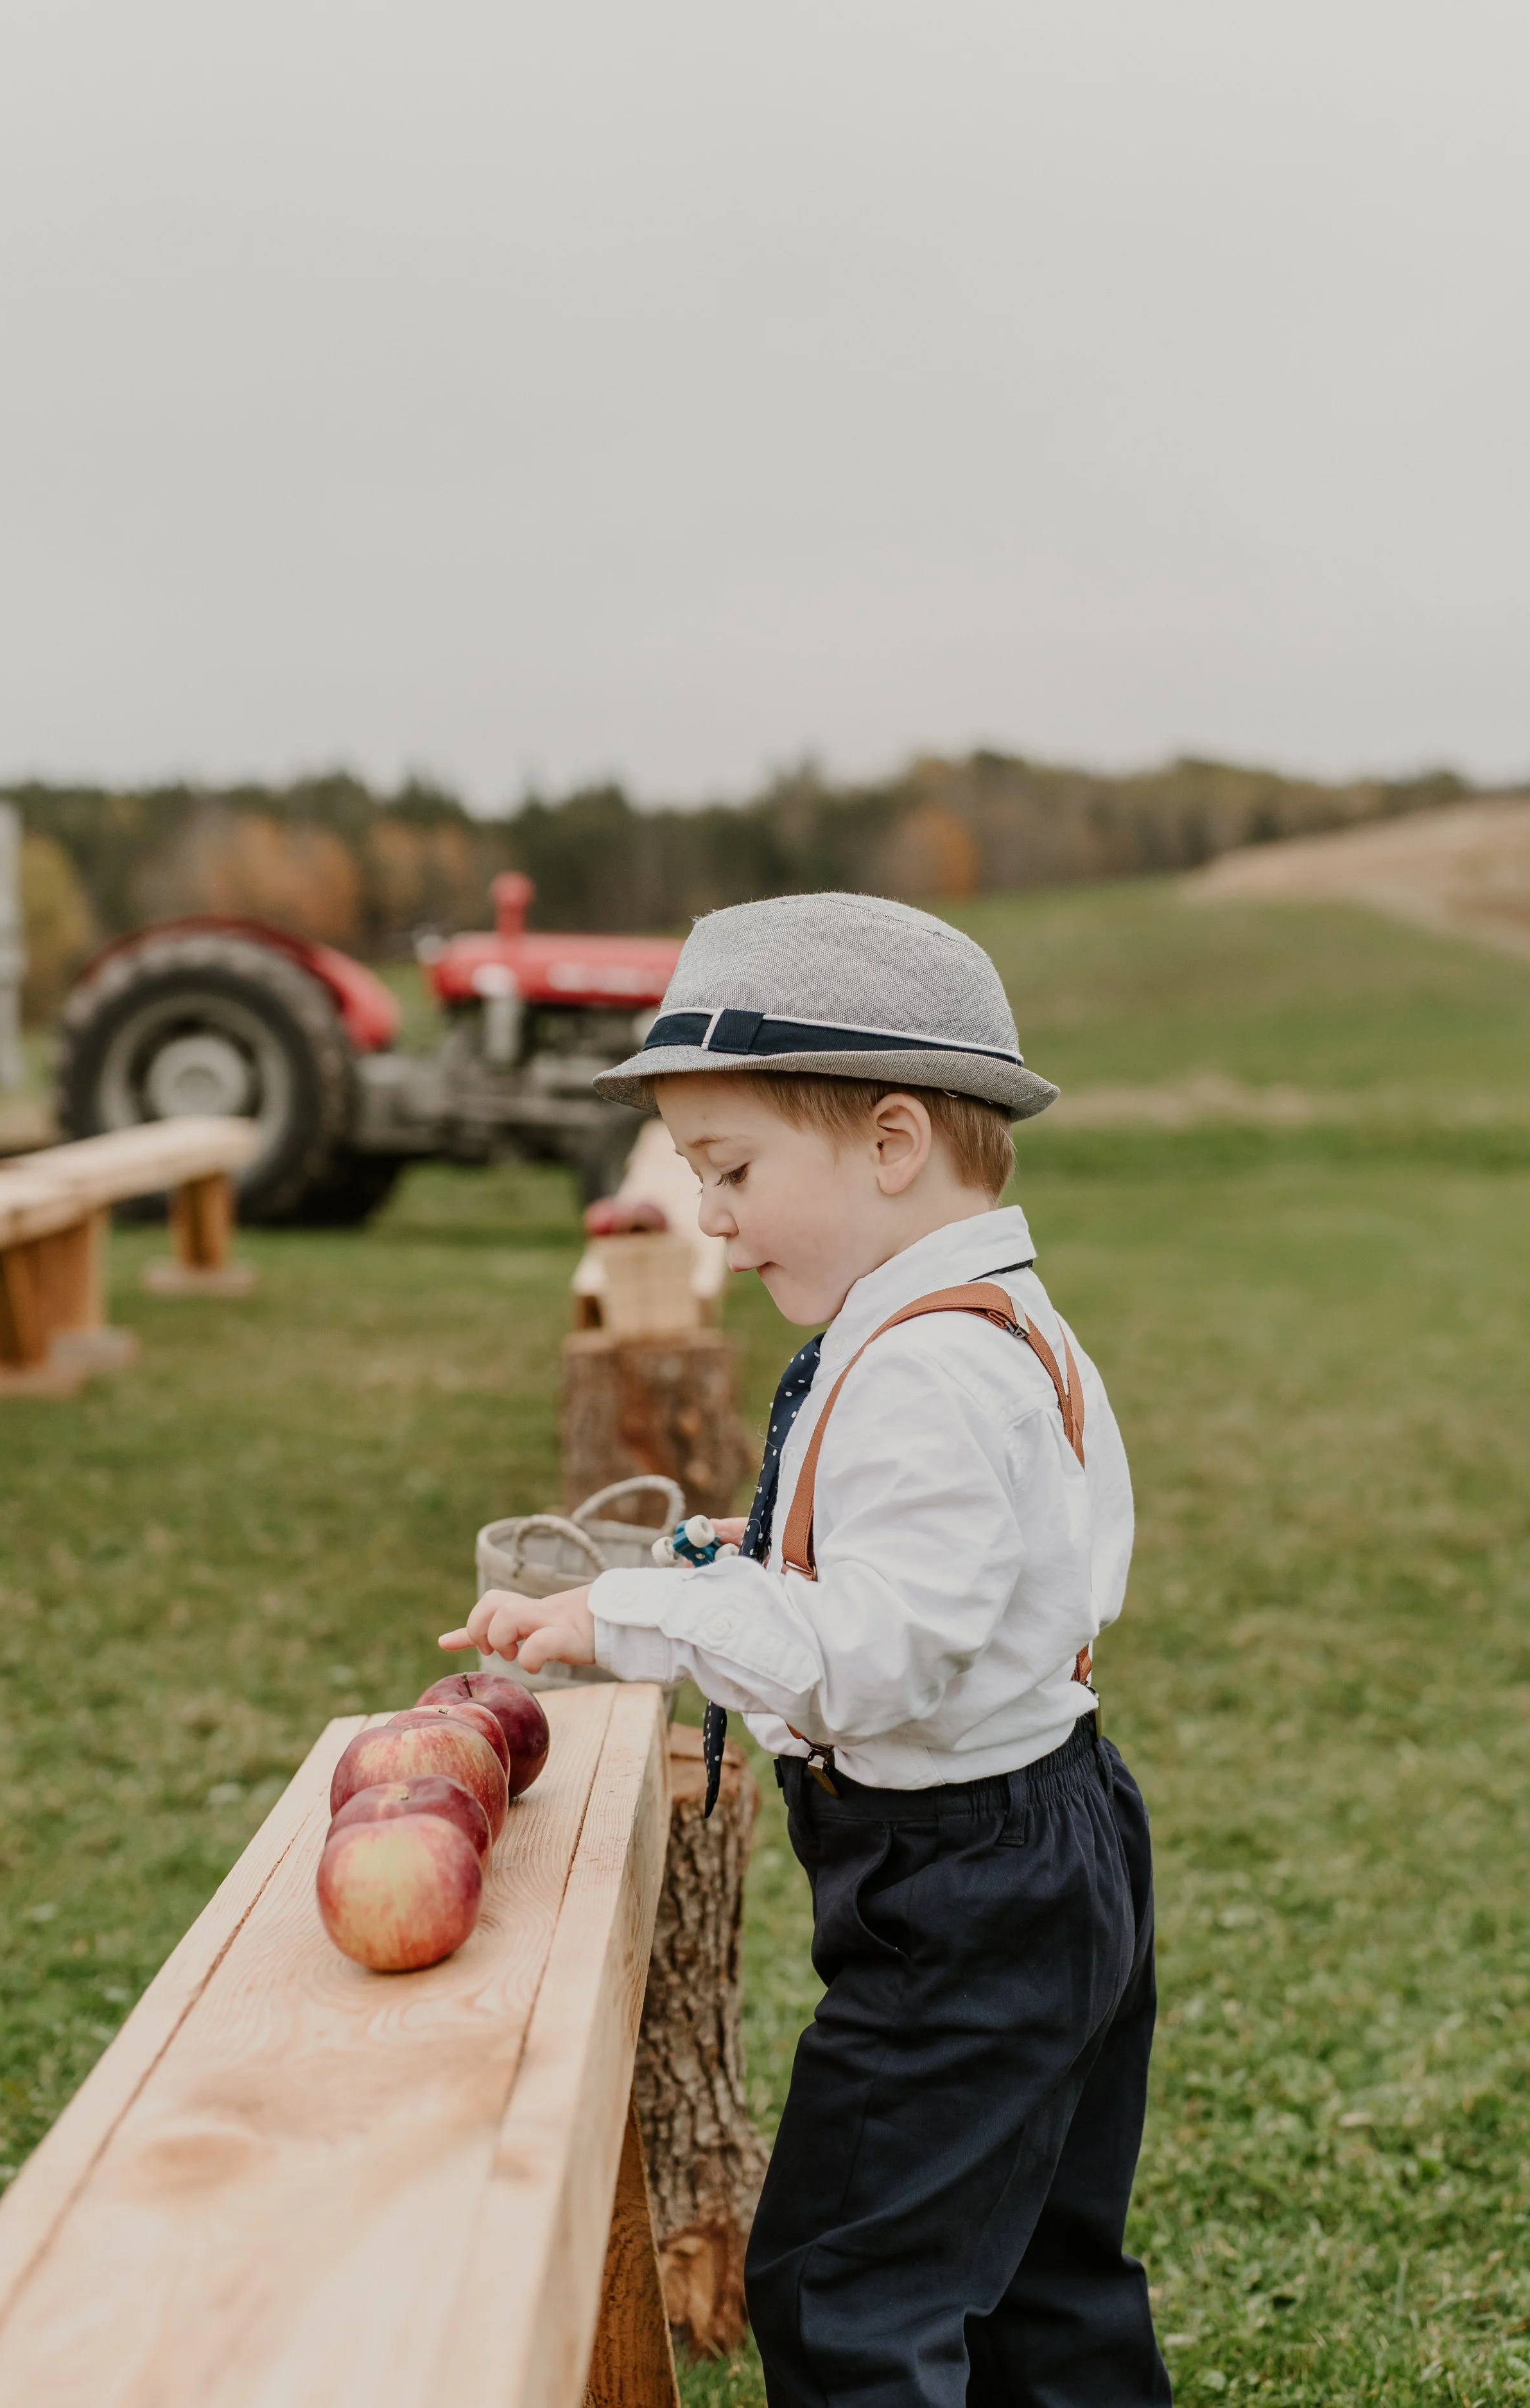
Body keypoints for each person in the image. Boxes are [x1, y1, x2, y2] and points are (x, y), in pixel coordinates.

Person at [442, 891, 1170, 2408]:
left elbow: (873, 1659)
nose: (708, 1213)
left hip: (963, 1888)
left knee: (844, 2277)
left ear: (890, 1145)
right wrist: (730, 1561)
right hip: (1055, 1834)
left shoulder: (926, 1375)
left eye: (732, 1169)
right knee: (1041, 2264)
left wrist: (625, 1616)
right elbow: (940, 1582)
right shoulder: (988, 1322)